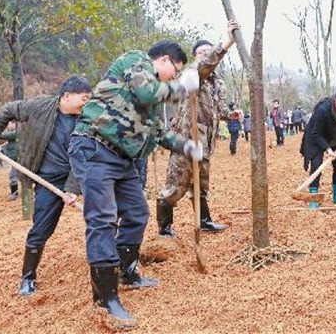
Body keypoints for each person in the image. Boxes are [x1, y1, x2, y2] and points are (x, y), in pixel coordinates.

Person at [68, 39, 206, 327]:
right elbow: (146, 92)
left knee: (136, 213)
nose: (176, 77)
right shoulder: (135, 61)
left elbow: (161, 134)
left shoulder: (155, 101)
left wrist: (187, 146)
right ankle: (105, 297)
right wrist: (182, 87)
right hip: (95, 147)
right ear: (165, 60)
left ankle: (127, 272)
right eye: (176, 71)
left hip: (123, 159)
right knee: (103, 219)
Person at [0, 76, 91, 297]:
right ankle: (27, 277)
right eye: (84, 98)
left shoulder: (88, 120)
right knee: (40, 230)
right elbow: (7, 110)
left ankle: (116, 264)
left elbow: (84, 159)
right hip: (45, 180)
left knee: (100, 218)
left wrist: (73, 189)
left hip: (79, 175)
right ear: (66, 96)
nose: (87, 103)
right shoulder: (40, 106)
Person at [156, 25, 238, 239]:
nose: (206, 55)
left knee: (201, 184)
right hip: (186, 138)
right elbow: (205, 65)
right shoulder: (192, 73)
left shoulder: (217, 82)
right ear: (195, 57)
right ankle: (164, 227)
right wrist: (225, 44)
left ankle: (204, 221)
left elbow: (217, 110)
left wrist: (230, 115)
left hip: (206, 141)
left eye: (208, 51)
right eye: (201, 52)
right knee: (175, 185)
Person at [300, 85, 336, 207]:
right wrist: (327, 149)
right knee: (316, 166)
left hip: (333, 136)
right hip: (316, 137)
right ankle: (314, 199)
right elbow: (317, 133)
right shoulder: (323, 110)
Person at [0, 121, 19, 200]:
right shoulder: (15, 132)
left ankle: (14, 193)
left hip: (17, 157)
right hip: (15, 157)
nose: (7, 126)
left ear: (14, 124)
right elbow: (10, 141)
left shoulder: (16, 132)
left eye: (8, 124)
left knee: (13, 176)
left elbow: (3, 136)